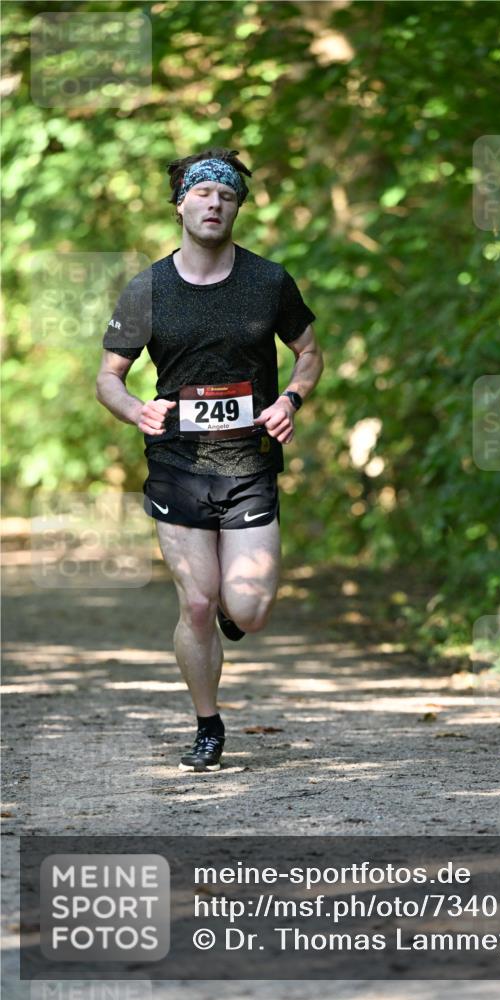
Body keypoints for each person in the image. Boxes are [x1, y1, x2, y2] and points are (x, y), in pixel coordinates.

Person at [96, 147, 323, 773]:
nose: (214, 203)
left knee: (248, 610)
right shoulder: (148, 288)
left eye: (226, 195)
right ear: (181, 204)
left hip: (249, 464)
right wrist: (136, 409)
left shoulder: (268, 281)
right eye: (202, 193)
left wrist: (290, 399)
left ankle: (231, 608)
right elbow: (108, 379)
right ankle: (207, 725)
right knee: (194, 603)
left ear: (238, 207)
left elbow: (309, 353)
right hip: (177, 464)